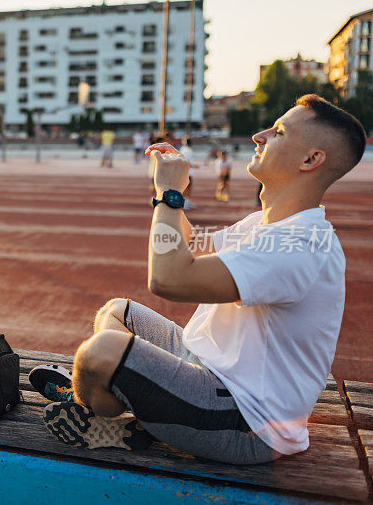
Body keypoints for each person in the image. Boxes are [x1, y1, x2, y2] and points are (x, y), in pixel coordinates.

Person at [34, 95, 365, 465]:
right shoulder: (266, 226)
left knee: (100, 353)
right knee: (117, 311)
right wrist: (167, 187)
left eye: (279, 131)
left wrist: (170, 196)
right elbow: (188, 245)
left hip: (247, 421)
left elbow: (169, 277)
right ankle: (125, 410)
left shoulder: (301, 246)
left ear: (310, 159)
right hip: (206, 368)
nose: (259, 135)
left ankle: (103, 416)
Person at [178, 136, 198, 209]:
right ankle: (185, 203)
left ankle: (187, 202)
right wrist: (194, 166)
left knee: (188, 187)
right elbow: (186, 161)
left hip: (187, 171)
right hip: (186, 172)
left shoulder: (184, 149)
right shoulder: (186, 150)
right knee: (186, 187)